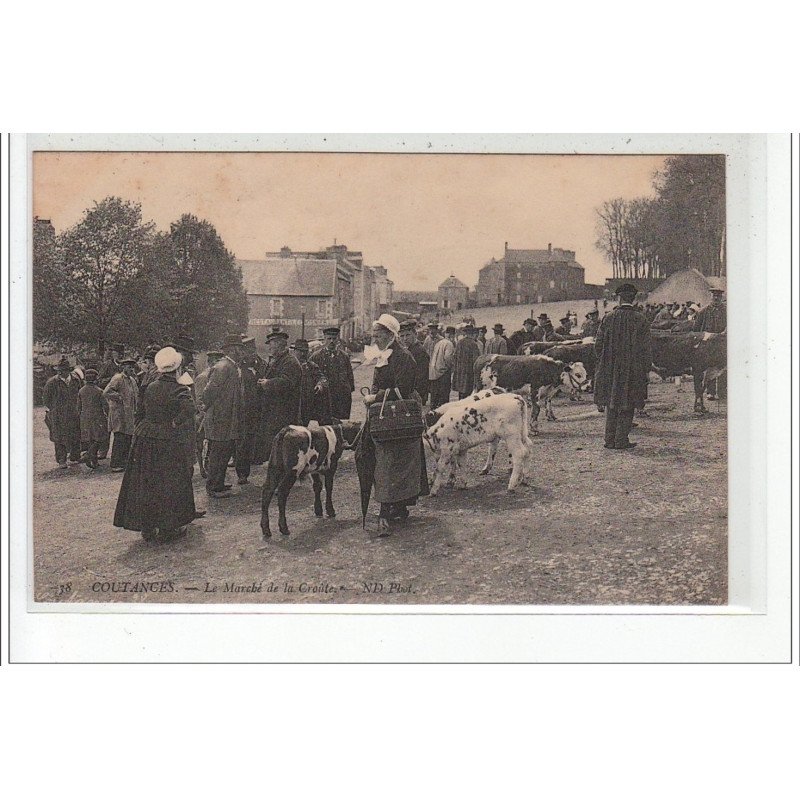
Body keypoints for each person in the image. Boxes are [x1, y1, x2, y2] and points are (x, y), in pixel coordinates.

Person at [113, 347, 198, 541]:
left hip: (146, 440)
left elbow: (139, 412)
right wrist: (174, 423)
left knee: (146, 483)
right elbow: (189, 409)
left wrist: (143, 427)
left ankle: (147, 526)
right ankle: (169, 527)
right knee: (169, 483)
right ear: (176, 369)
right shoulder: (179, 389)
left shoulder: (150, 386)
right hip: (168, 442)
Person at [358, 314, 429, 535]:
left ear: (389, 334)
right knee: (388, 461)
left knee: (391, 463)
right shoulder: (385, 354)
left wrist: (375, 397)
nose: (375, 339)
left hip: (398, 420)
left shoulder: (402, 356)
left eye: (377, 335)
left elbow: (403, 389)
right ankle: (397, 505)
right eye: (374, 335)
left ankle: (387, 510)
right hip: (385, 417)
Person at [594, 283, 652, 451]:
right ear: (633, 299)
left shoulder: (608, 317)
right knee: (628, 402)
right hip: (633, 369)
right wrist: (645, 369)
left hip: (610, 369)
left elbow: (598, 346)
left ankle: (609, 440)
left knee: (611, 403)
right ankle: (621, 440)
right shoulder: (641, 319)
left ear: (619, 298)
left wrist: (605, 362)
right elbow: (646, 348)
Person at [200, 334, 243, 498]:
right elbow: (209, 391)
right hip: (220, 417)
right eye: (239, 348)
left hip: (227, 417)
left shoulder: (231, 366)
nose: (241, 352)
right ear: (232, 350)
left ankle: (218, 482)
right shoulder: (223, 367)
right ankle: (213, 487)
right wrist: (209, 408)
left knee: (224, 451)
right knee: (218, 452)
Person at [254, 328, 302, 465]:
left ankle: (281, 475)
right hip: (276, 411)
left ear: (280, 344)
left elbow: (287, 382)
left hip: (284, 412)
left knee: (283, 445)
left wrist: (268, 383)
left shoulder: (290, 362)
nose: (269, 346)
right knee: (276, 446)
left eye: (271, 343)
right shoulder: (278, 360)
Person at [42, 357, 82, 468]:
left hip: (74, 412)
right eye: (59, 370)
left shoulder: (75, 380)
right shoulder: (52, 382)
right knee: (59, 437)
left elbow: (80, 394)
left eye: (63, 370)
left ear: (68, 370)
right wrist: (55, 409)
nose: (60, 372)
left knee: (75, 434)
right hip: (58, 414)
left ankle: (75, 457)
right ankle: (61, 460)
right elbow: (46, 399)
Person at [310, 326, 355, 420]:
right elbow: (311, 376)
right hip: (324, 399)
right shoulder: (316, 356)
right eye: (329, 338)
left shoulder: (344, 356)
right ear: (324, 339)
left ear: (337, 339)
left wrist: (347, 391)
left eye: (334, 339)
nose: (331, 341)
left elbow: (350, 377)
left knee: (340, 425)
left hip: (340, 398)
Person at [234, 338, 263, 484]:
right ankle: (242, 473)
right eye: (247, 351)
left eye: (253, 350)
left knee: (255, 439)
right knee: (243, 442)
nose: (251, 354)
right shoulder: (238, 368)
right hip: (243, 411)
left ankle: (255, 460)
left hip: (258, 410)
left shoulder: (262, 365)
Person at [103, 357, 139, 472]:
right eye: (129, 367)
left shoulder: (132, 380)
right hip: (119, 413)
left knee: (128, 437)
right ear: (123, 367)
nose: (131, 369)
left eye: (132, 367)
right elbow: (107, 392)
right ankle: (115, 463)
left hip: (129, 413)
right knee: (119, 438)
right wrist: (119, 397)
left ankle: (124, 462)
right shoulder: (117, 378)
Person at [293, 338, 332, 426]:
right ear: (295, 351)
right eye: (300, 351)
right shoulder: (290, 365)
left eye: (305, 351)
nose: (303, 354)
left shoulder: (311, 366)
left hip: (307, 405)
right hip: (293, 405)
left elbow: (322, 378)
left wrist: (320, 385)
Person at [76, 368, 108, 470]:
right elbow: (105, 406)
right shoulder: (99, 391)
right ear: (95, 379)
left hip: (85, 417)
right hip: (98, 417)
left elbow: (78, 406)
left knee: (90, 439)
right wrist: (108, 415)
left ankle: (94, 461)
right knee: (100, 438)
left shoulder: (81, 391)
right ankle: (88, 455)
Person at [398, 320, 430, 405]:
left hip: (415, 395)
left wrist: (417, 395)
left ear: (415, 334)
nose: (405, 338)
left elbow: (422, 376)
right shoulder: (407, 349)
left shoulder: (419, 351)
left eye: (408, 335)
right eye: (402, 336)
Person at [428, 325, 455, 409]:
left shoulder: (439, 342)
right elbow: (447, 358)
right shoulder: (449, 344)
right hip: (443, 373)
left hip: (433, 373)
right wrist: (451, 366)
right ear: (452, 335)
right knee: (443, 398)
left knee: (434, 398)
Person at [452, 325, 481, 399]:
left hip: (460, 371)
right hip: (469, 372)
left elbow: (454, 356)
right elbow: (476, 361)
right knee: (468, 392)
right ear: (472, 333)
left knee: (461, 392)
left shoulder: (459, 342)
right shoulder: (473, 344)